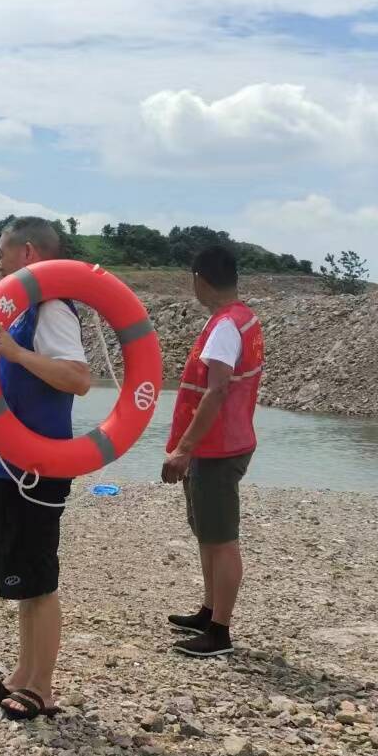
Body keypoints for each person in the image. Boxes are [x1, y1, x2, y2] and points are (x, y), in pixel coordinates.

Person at [0, 216, 93, 720]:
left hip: (39, 466)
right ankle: (23, 674)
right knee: (23, 577)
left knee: (40, 580)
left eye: (1, 251)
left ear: (26, 253)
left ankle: (42, 688)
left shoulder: (52, 309)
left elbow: (78, 378)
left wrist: (16, 353)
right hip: (13, 464)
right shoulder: (24, 311)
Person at [160, 244, 264, 658]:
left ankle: (220, 631)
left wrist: (183, 449)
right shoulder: (242, 318)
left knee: (222, 539)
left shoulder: (224, 327)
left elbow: (217, 390)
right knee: (208, 532)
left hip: (217, 447)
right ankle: (209, 611)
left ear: (199, 280)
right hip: (226, 441)